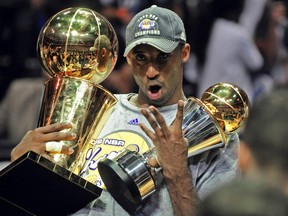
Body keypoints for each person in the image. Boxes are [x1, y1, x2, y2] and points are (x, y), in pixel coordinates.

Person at [11, 5, 240, 216]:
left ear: (184, 53)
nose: (151, 71)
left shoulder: (213, 132)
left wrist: (176, 171)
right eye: (141, 57)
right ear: (128, 58)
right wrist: (22, 165)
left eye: (162, 57)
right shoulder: (95, 109)